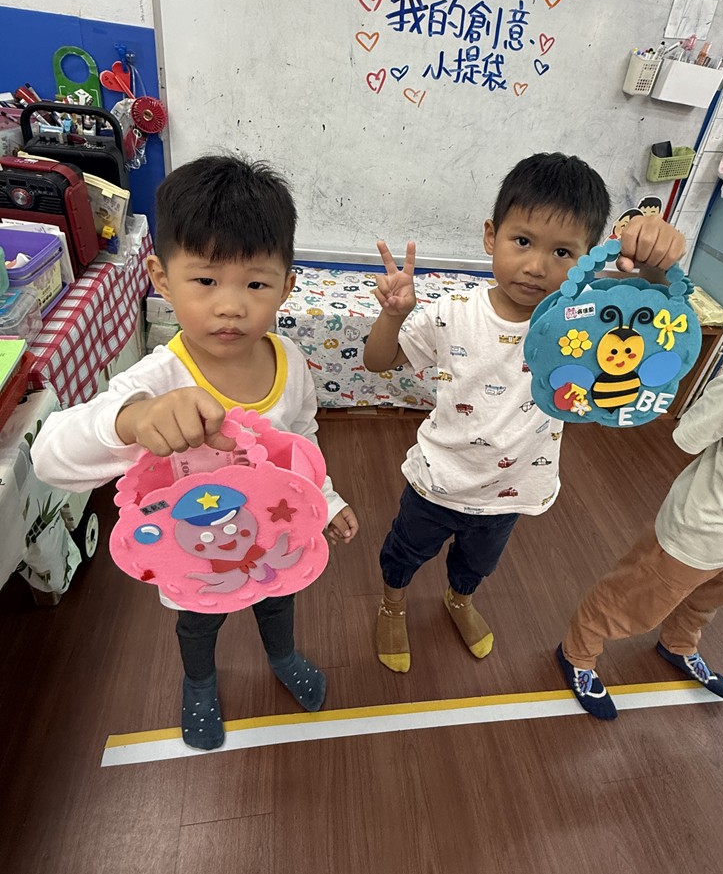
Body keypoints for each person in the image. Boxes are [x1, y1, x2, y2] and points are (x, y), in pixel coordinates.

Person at [32, 155, 359, 750]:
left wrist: (327, 498)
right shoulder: (156, 380)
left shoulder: (289, 361)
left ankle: (283, 657)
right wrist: (132, 421)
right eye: (205, 281)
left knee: (278, 602)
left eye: (255, 284)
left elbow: (302, 437)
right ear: (160, 277)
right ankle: (200, 684)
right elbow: (49, 456)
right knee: (199, 624)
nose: (230, 305)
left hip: (272, 538)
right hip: (194, 553)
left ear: (287, 286)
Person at [363, 152, 685, 673]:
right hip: (438, 480)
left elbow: (650, 320)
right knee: (404, 553)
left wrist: (654, 260)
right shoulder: (451, 313)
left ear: (588, 259)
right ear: (491, 236)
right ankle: (392, 604)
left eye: (562, 252)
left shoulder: (584, 328)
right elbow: (379, 362)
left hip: (511, 490)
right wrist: (392, 315)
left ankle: (459, 600)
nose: (537, 266)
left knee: (476, 564)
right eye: (522, 241)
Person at [557, 342, 723, 720]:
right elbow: (688, 436)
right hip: (703, 530)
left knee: (706, 602)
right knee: (628, 602)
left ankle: (679, 645)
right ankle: (577, 653)